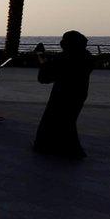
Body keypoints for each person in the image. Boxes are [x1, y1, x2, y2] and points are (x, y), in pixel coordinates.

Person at [33, 30, 94, 159]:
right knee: (69, 120)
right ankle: (67, 148)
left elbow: (44, 77)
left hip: (62, 93)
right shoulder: (87, 57)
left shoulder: (64, 58)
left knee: (54, 119)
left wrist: (42, 58)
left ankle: (53, 147)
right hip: (79, 93)